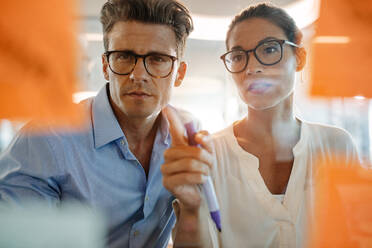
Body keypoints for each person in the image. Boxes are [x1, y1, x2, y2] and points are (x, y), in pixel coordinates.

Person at [161, 3, 359, 247]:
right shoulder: (209, 155)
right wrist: (190, 211)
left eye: (268, 49)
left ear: (300, 57)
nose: (252, 67)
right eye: (238, 56)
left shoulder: (337, 145)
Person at [0, 0, 193, 247]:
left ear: (180, 73)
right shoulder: (46, 138)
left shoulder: (188, 140)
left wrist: (193, 207)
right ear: (105, 66)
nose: (138, 74)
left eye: (157, 59)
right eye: (124, 56)